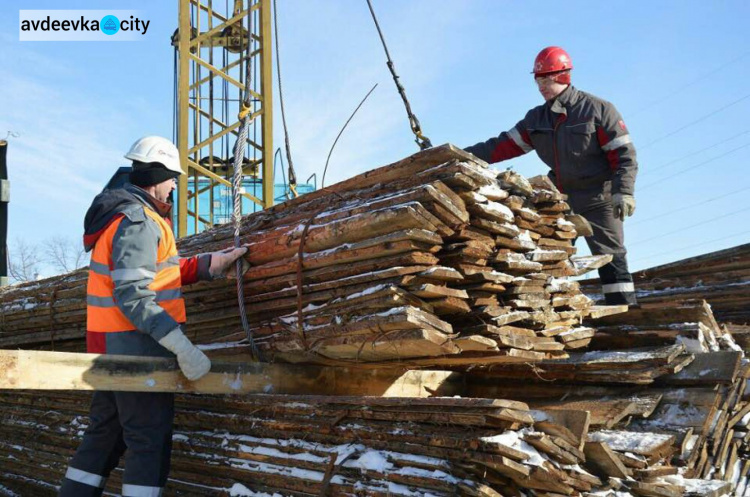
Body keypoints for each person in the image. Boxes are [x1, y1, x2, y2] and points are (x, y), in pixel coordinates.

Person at [59, 136, 249, 497]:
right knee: (148, 439)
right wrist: (182, 346)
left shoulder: (125, 217)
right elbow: (134, 296)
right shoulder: (139, 221)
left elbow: (158, 270)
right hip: (135, 345)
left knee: (105, 435)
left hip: (108, 343)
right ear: (156, 176)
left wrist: (210, 264)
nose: (175, 184)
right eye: (172, 177)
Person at [465, 46, 638, 306]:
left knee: (611, 255)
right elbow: (498, 146)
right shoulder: (536, 119)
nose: (541, 85)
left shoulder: (598, 110)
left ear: (564, 75)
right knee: (551, 255)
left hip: (599, 199)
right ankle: (556, 315)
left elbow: (624, 155)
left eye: (547, 78)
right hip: (562, 200)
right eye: (538, 79)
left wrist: (623, 192)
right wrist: (459, 155)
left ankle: (624, 313)